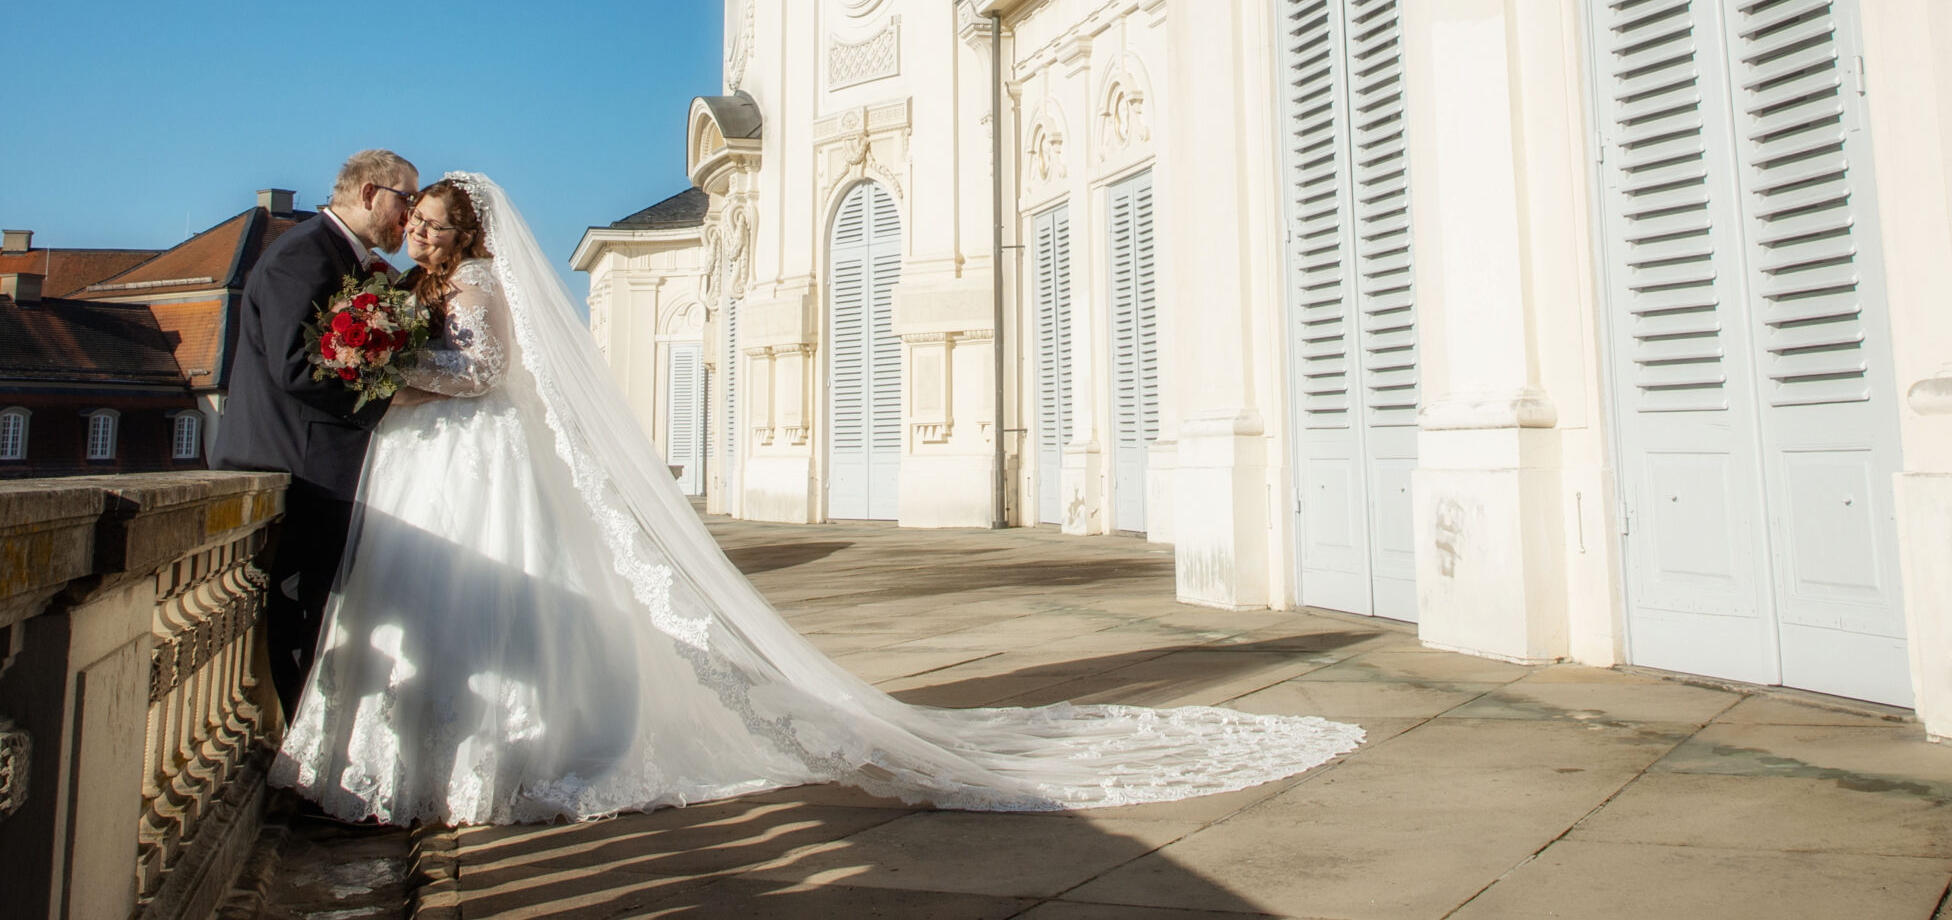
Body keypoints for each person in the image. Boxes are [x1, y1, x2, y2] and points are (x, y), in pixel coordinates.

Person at [274, 173, 1360, 825]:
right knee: (432, 602)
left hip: (475, 452)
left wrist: (402, 370)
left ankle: (490, 762)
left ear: (463, 231)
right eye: (410, 222)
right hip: (425, 461)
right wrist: (391, 352)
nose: (416, 234)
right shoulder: (410, 289)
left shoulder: (475, 288)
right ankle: (403, 765)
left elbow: (489, 374)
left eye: (428, 224)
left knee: (490, 611)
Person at [211, 148, 417, 719]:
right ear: (371, 193)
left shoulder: (347, 260)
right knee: (306, 617)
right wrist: (392, 399)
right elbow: (298, 367)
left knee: (326, 617)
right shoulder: (302, 257)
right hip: (302, 469)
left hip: (319, 466)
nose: (411, 215)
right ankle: (301, 763)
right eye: (407, 199)